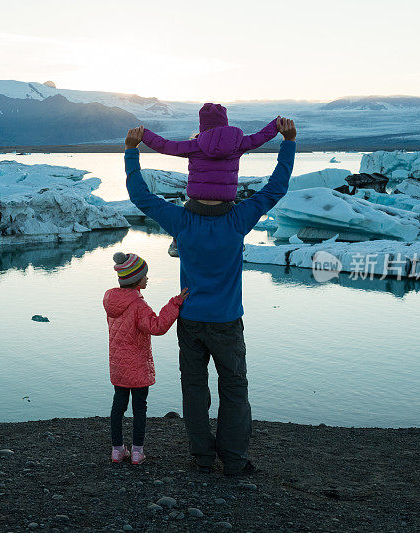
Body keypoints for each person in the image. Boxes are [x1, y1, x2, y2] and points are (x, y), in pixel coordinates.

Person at [123, 117, 296, 476]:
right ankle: (233, 461)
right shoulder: (238, 219)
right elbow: (275, 188)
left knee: (194, 390)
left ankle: (203, 458)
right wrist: (288, 142)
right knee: (234, 390)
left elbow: (140, 196)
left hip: (190, 321)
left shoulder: (181, 221)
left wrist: (131, 151)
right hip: (227, 322)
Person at [103, 251, 189, 464]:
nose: (147, 278)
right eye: (145, 275)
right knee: (139, 408)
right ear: (136, 280)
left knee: (118, 406)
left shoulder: (112, 302)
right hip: (138, 365)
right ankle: (136, 452)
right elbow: (156, 327)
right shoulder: (138, 305)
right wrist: (174, 304)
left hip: (118, 365)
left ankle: (116, 451)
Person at [140, 103, 279, 202]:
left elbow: (165, 146)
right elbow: (260, 137)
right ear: (225, 122)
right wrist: (276, 125)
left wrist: (143, 134)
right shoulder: (238, 144)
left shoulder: (194, 146)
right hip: (225, 205)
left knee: (182, 236)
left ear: (202, 125)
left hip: (197, 205)